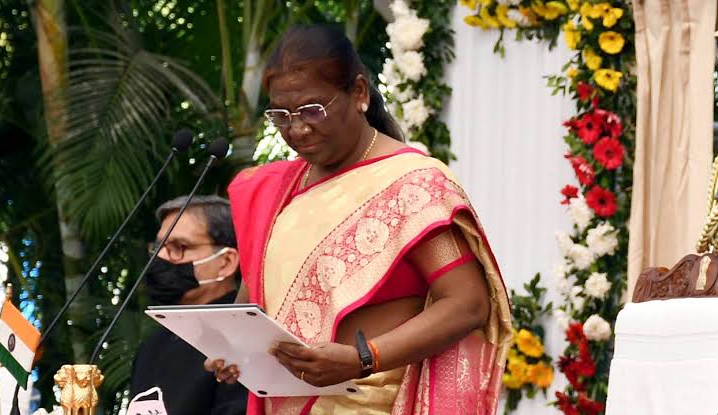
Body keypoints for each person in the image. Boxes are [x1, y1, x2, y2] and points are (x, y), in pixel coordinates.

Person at [206, 25, 513, 415]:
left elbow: (468, 303)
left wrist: (363, 358)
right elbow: (253, 303)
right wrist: (233, 349)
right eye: (281, 114)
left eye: (312, 110)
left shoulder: (411, 184)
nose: (297, 128)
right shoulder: (277, 190)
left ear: (360, 93)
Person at [131, 195, 248, 415]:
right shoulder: (152, 346)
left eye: (179, 247)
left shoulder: (246, 338)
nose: (161, 257)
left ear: (226, 262)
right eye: (158, 247)